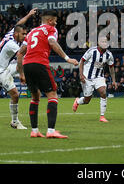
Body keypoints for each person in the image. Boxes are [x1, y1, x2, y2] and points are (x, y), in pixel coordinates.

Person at [17, 10, 79, 139]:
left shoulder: (32, 32)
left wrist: (21, 73)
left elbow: (20, 53)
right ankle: (51, 131)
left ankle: (34, 130)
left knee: (35, 96)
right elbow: (52, 42)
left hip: (27, 65)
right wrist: (67, 59)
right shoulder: (51, 29)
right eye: (55, 21)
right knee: (52, 94)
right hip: (40, 63)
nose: (56, 23)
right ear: (50, 21)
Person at [0, 8, 36, 130]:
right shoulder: (12, 44)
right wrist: (21, 74)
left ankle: (33, 82)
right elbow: (21, 55)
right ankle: (15, 122)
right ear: (17, 34)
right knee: (15, 95)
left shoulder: (12, 33)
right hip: (0, 71)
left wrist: (29, 15)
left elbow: (19, 24)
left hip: (6, 66)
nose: (25, 36)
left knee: (27, 65)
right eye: (23, 34)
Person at [73, 36, 117, 122]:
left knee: (103, 92)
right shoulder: (91, 51)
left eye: (106, 42)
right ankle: (78, 101)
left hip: (99, 77)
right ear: (99, 43)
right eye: (103, 42)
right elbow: (81, 62)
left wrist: (114, 81)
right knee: (87, 100)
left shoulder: (109, 55)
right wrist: (81, 75)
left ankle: (102, 116)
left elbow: (111, 68)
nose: (104, 43)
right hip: (87, 78)